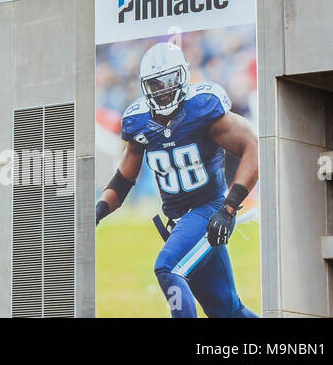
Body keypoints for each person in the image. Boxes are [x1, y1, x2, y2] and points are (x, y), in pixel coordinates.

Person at [96, 41, 259, 318]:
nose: (163, 90)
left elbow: (253, 147)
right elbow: (123, 180)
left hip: (209, 211)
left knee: (167, 268)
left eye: (168, 81)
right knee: (227, 312)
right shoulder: (139, 122)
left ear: (183, 76)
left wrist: (228, 208)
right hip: (181, 222)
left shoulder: (203, 108)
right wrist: (96, 212)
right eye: (155, 84)